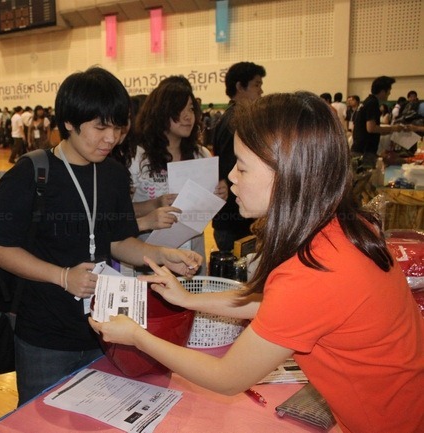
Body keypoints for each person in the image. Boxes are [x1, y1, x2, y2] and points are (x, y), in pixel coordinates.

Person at [90, 92, 424, 433]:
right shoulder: (338, 230)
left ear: (288, 175)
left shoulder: (318, 269)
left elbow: (227, 377)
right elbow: (278, 305)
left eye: (243, 167)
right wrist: (187, 298)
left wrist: (136, 336)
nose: (232, 176)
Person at [0, 66, 202, 406]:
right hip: (45, 337)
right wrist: (62, 276)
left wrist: (162, 255)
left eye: (117, 127)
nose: (110, 138)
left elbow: (117, 242)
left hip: (107, 331)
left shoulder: (113, 175)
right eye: (100, 126)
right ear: (70, 122)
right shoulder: (31, 174)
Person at [129, 76, 227, 274]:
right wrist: (153, 205)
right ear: (161, 112)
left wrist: (218, 195)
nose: (188, 116)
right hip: (149, 260)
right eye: (179, 109)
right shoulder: (137, 159)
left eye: (191, 108)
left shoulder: (201, 155)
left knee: (190, 303)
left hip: (193, 256)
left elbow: (205, 211)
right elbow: (121, 212)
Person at [212, 61, 266, 252]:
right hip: (233, 220)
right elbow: (229, 169)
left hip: (235, 218)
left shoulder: (235, 118)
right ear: (239, 86)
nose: (261, 91)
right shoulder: (234, 121)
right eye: (256, 85)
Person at [351, 76, 403, 168]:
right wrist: (393, 128)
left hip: (360, 147)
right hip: (365, 150)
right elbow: (371, 128)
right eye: (389, 90)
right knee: (364, 178)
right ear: (383, 91)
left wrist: (389, 131)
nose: (389, 93)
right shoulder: (372, 103)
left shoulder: (367, 102)